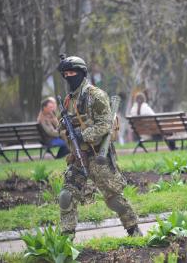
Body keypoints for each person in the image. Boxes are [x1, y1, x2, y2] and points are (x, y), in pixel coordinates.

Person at [57, 55, 141, 237]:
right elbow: (60, 125)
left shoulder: (95, 95)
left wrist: (83, 134)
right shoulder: (68, 100)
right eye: (66, 73)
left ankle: (134, 229)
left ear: (81, 73)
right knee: (66, 196)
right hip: (77, 159)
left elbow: (106, 124)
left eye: (72, 72)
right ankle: (66, 239)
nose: (69, 76)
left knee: (114, 200)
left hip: (98, 157)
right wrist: (64, 129)